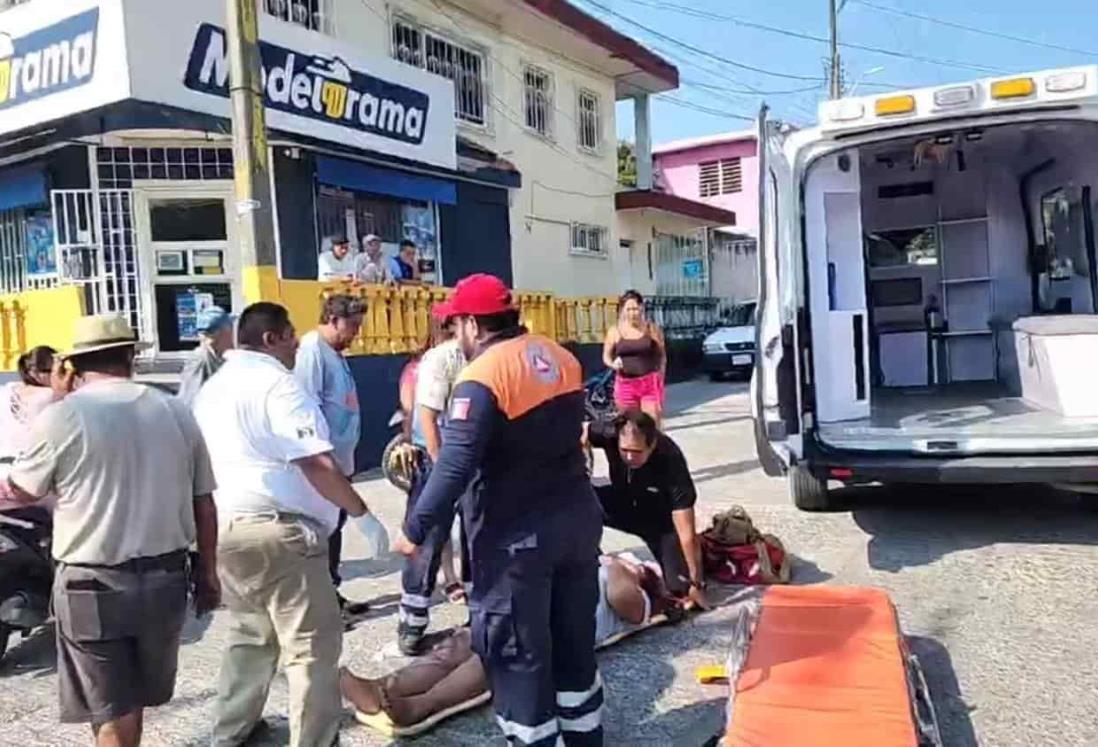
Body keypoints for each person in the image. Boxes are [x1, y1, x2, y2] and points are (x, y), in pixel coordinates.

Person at [392, 273, 604, 746]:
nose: (454, 336)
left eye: (455, 326)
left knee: (517, 656)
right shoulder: (559, 356)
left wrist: (415, 528)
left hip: (516, 542)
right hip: (575, 522)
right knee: (573, 649)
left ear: (471, 324)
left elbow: (453, 467)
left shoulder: (481, 379)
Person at [6, 314, 219, 747]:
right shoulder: (175, 410)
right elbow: (204, 502)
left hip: (92, 583)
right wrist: (209, 573)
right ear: (131, 357)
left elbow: (25, 488)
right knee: (126, 705)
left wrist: (58, 402)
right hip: (166, 578)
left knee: (113, 711)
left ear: (74, 364)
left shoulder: (65, 416)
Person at [193, 302, 373, 747]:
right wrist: (360, 512)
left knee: (250, 634)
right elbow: (315, 460)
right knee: (311, 647)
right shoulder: (278, 384)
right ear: (271, 338)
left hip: (228, 529)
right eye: (291, 334)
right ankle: (314, 740)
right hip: (281, 535)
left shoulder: (212, 389)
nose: (297, 342)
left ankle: (230, 731)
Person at [341, 554, 681, 730]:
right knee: (459, 644)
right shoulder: (595, 566)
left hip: (549, 629)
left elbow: (623, 597)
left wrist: (620, 566)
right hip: (521, 606)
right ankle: (385, 686)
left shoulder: (638, 599)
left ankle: (419, 706)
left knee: (492, 656)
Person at [294, 293, 372, 617]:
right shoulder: (313, 351)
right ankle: (319, 606)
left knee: (333, 531)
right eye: (351, 326)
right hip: (327, 466)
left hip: (342, 461)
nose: (355, 333)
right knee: (320, 534)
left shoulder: (335, 353)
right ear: (332, 319)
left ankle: (331, 593)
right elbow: (307, 409)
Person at [585, 409, 708, 610]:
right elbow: (579, 433)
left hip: (658, 521)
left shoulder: (670, 459)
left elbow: (686, 532)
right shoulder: (608, 432)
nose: (629, 458)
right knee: (577, 499)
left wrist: (696, 583)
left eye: (637, 452)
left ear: (652, 445)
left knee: (681, 590)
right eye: (624, 450)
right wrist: (580, 466)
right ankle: (592, 560)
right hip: (622, 501)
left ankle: (658, 571)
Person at [398, 303, 467, 654]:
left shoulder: (485, 355)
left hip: (474, 460)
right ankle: (412, 621)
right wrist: (443, 467)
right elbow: (426, 416)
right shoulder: (440, 359)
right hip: (438, 459)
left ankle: (481, 613)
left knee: (477, 535)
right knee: (428, 537)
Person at [0, 346, 58, 511]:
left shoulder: (5, 391)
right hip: (32, 479)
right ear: (40, 374)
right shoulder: (50, 396)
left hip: (4, 476)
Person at [602, 290, 666, 424]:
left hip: (649, 384)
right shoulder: (615, 331)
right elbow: (606, 357)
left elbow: (662, 356)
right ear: (623, 311)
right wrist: (613, 364)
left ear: (641, 308)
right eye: (629, 309)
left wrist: (660, 377)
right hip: (625, 385)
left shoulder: (651, 329)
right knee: (629, 427)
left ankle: (657, 445)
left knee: (651, 425)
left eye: (635, 309)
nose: (632, 313)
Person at [177, 306, 234, 408]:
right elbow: (188, 401)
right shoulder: (200, 360)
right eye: (230, 329)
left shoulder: (222, 356)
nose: (233, 334)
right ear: (220, 334)